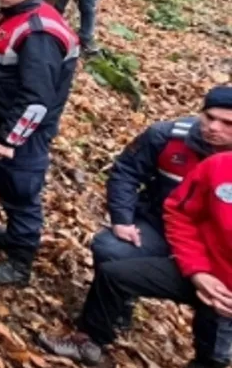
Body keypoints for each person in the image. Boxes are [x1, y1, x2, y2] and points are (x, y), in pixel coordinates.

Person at [36, 151, 232, 368]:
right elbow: (180, 212)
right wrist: (197, 271)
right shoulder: (220, 165)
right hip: (200, 267)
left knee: (216, 329)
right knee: (115, 274)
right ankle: (90, 340)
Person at [0, 0, 79, 286]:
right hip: (6, 118)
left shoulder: (39, 33)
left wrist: (10, 140)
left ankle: (20, 263)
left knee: (21, 189)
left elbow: (36, 98)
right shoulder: (19, 15)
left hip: (24, 131)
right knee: (7, 182)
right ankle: (14, 235)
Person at [87, 86, 232, 327]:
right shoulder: (167, 136)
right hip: (159, 226)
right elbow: (126, 172)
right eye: (209, 117)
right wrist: (122, 219)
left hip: (218, 248)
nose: (214, 127)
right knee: (111, 248)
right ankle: (114, 310)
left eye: (227, 123)